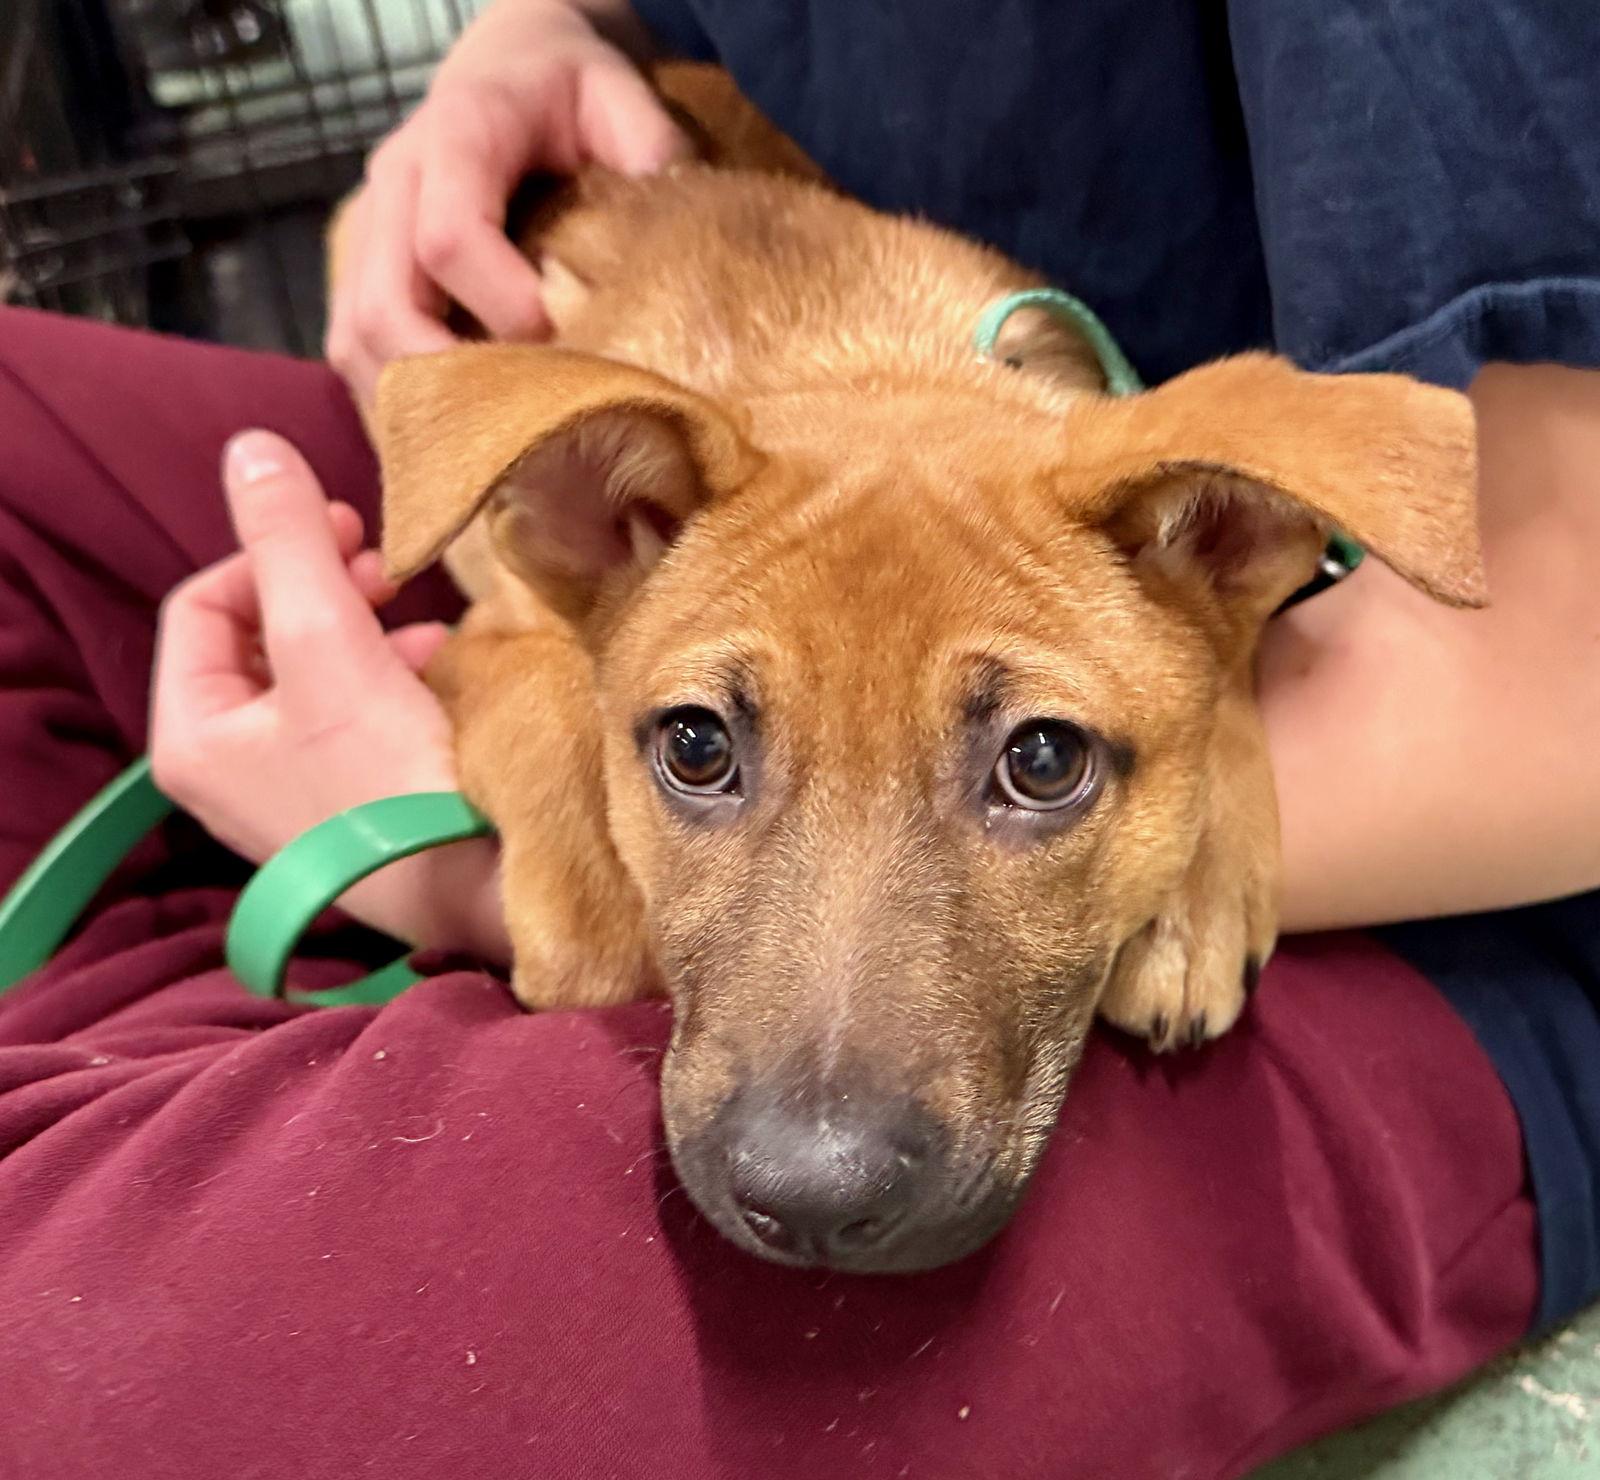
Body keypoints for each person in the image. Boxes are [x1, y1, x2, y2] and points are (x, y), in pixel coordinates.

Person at [0, 2, 1594, 1475]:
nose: (811, 1152)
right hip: (772, 422)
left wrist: (460, 874)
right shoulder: (667, 529)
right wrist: (532, 41)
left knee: (149, 1378)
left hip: (1472, 887)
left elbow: (1558, 660)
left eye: (1032, 761)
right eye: (702, 746)